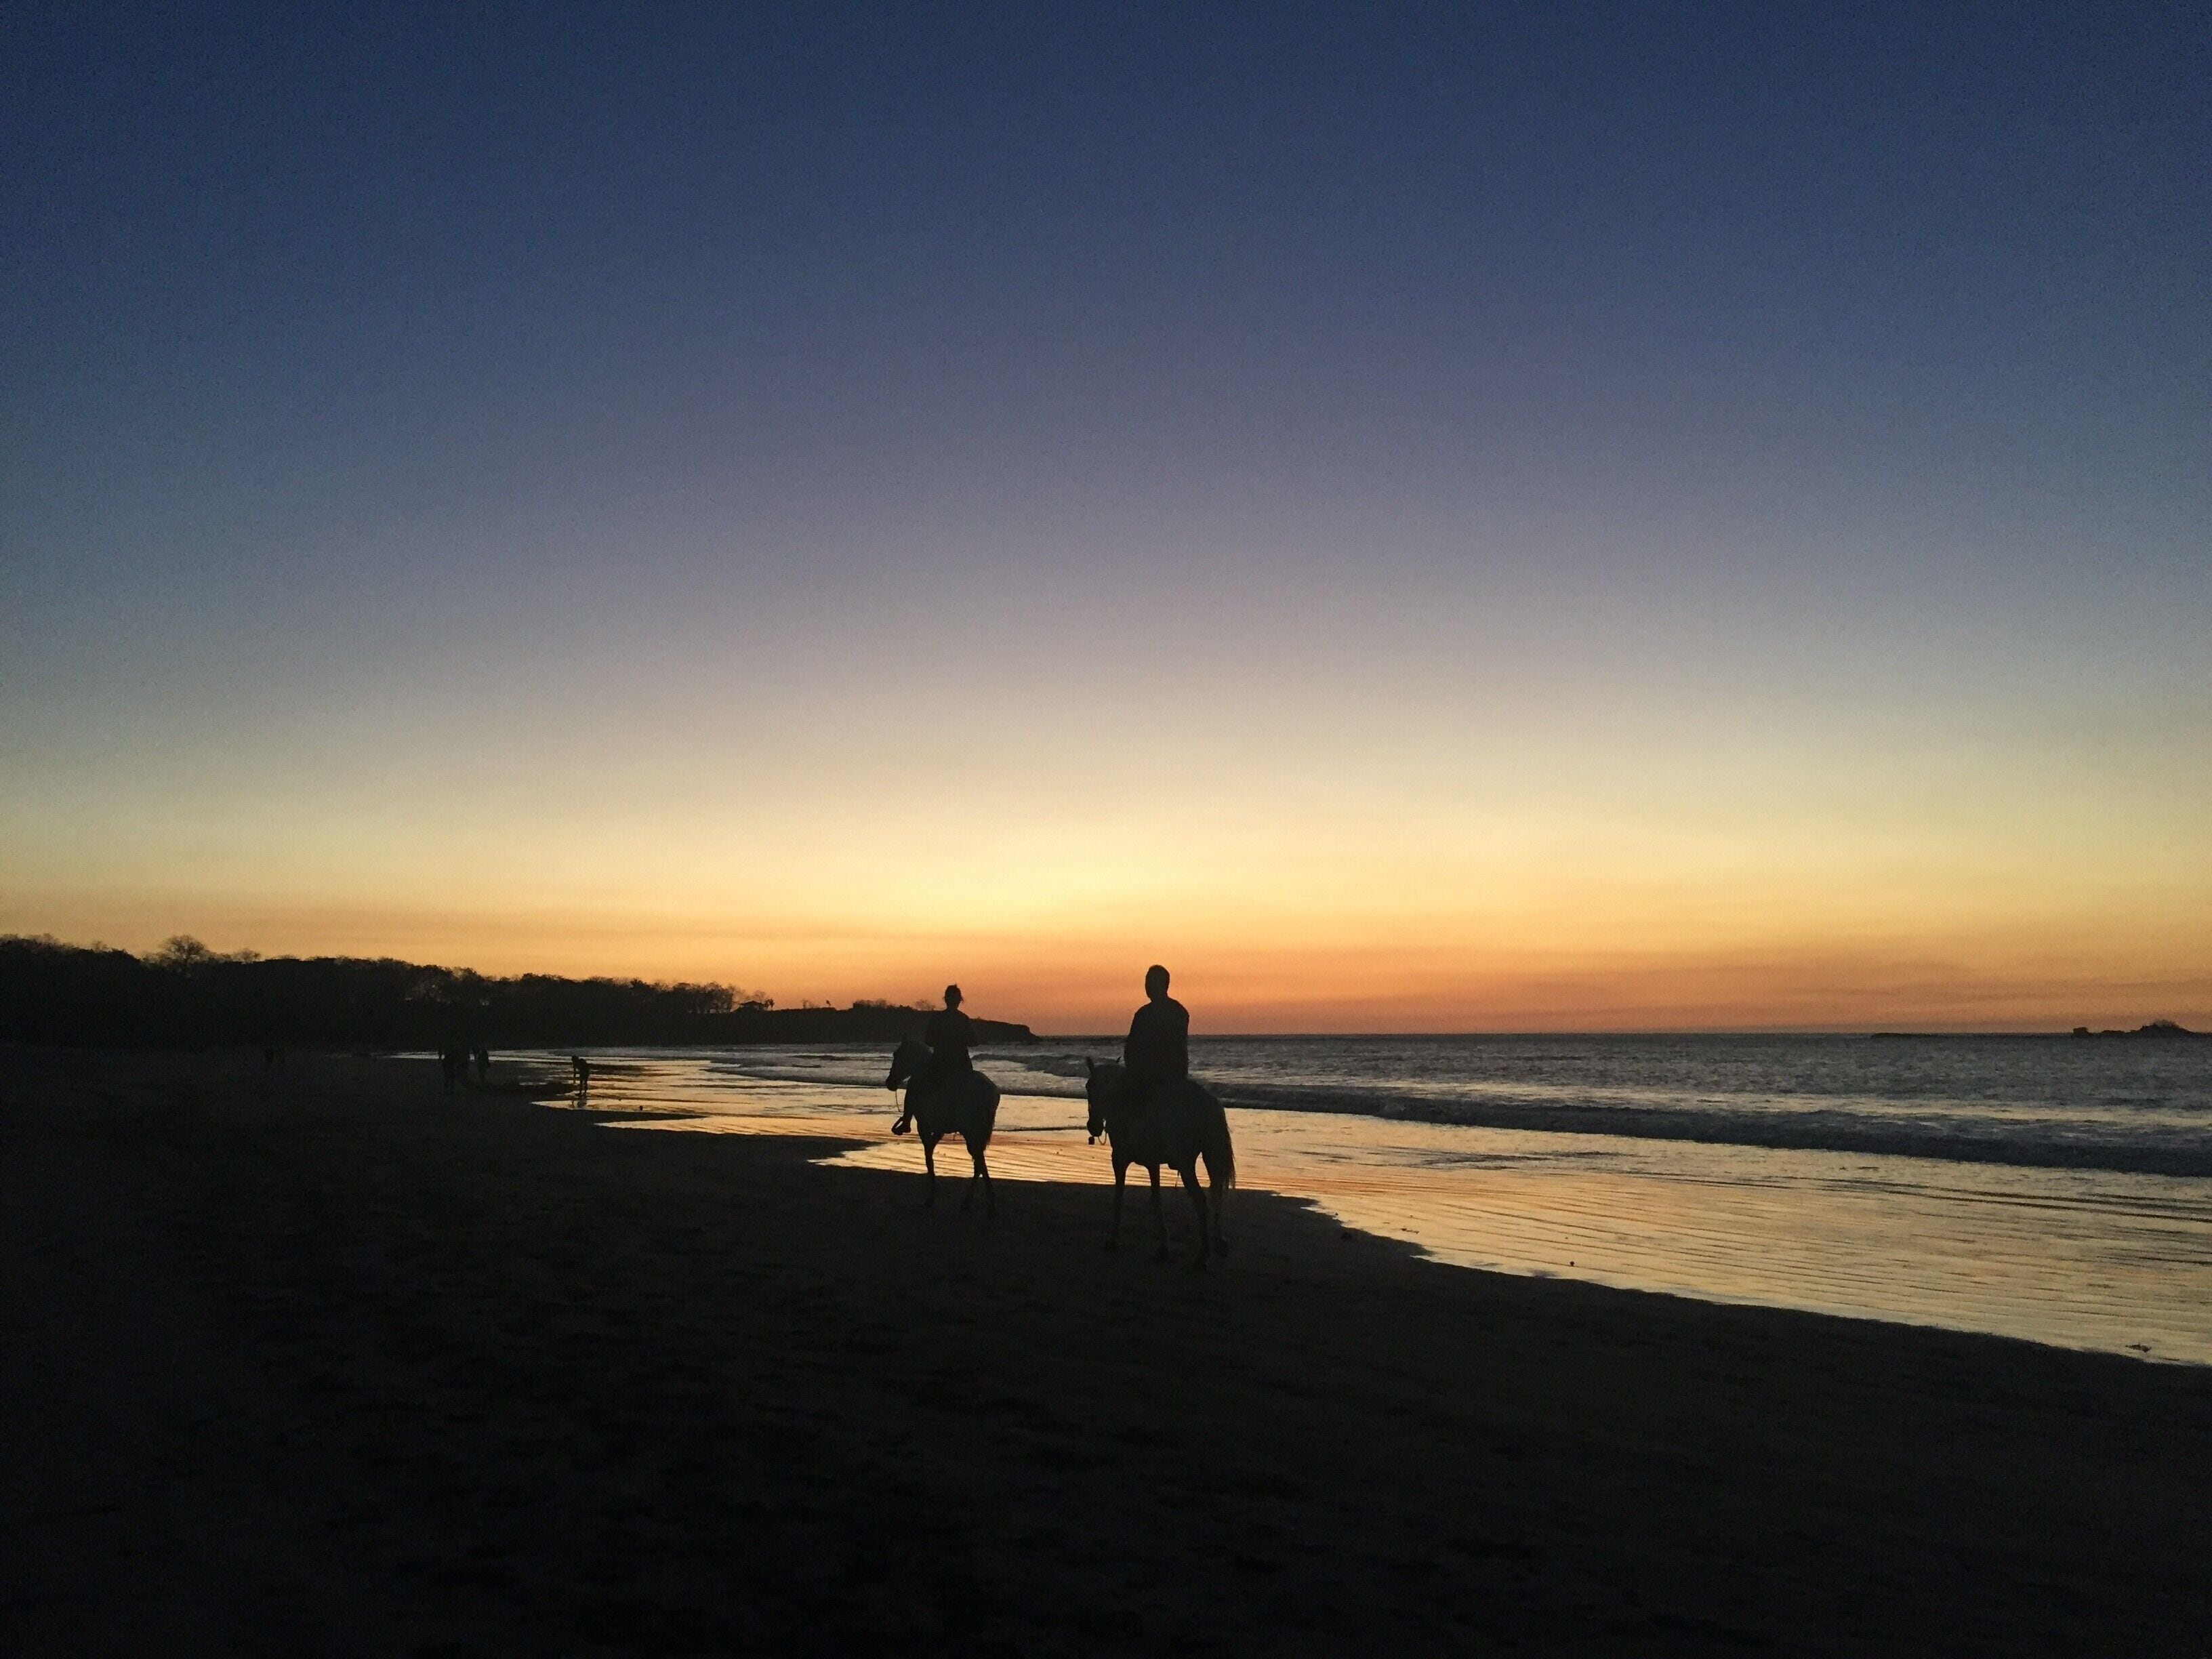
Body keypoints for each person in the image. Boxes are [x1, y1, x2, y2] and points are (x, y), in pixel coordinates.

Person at [897, 984, 975, 1135]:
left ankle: (907, 1121)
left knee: (914, 1084)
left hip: (940, 1062)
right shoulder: (964, 1019)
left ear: (946, 1000)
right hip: (962, 1064)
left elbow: (928, 1041)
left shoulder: (938, 1018)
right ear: (959, 1001)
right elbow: (974, 1041)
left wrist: (943, 1041)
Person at [1122, 963, 1189, 1109]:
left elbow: (1132, 1048)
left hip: (1152, 1078)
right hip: (1178, 1076)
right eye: (1146, 983)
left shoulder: (1144, 1014)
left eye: (1150, 983)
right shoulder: (1180, 1011)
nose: (1147, 987)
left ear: (1163, 985)